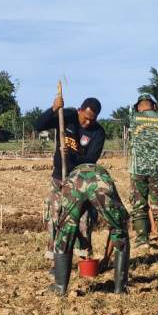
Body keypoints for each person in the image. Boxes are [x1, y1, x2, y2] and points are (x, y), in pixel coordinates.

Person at [34, 95, 105, 260]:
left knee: (83, 220)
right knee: (54, 218)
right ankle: (55, 259)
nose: (87, 123)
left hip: (80, 181)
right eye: (85, 118)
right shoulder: (66, 116)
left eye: (92, 120)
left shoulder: (98, 133)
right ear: (80, 110)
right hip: (59, 178)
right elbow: (38, 125)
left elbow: (91, 159)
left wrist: (73, 157)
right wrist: (53, 109)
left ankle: (84, 258)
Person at [51, 163, 129, 295]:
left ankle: (59, 287)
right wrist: (106, 257)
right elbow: (116, 228)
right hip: (99, 181)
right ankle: (120, 289)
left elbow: (65, 228)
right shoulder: (102, 175)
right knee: (119, 227)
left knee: (65, 231)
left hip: (75, 182)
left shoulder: (73, 176)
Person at [128, 93, 158, 252]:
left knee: (139, 204)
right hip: (157, 169)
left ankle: (143, 240)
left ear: (138, 106)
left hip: (138, 169)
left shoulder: (134, 118)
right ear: (154, 105)